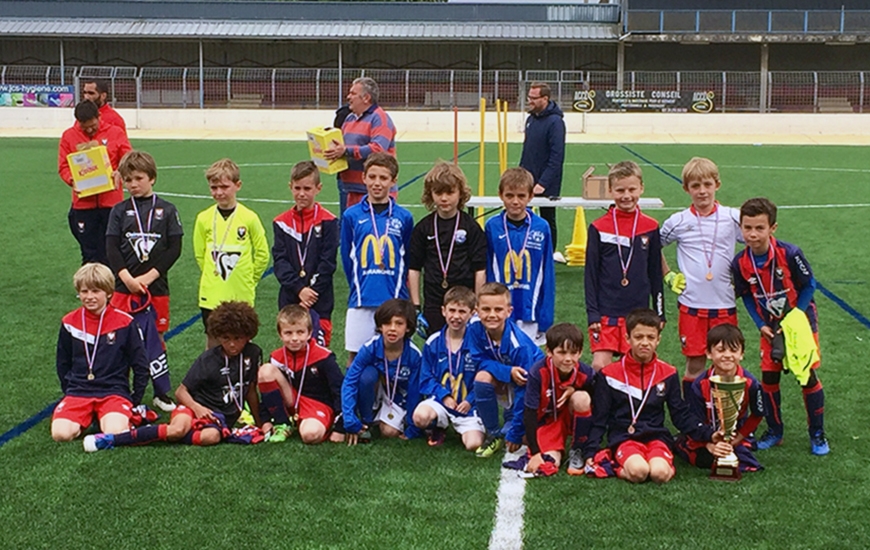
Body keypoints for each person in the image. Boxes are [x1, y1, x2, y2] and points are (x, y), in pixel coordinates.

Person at [83, 301, 263, 451]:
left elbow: (250, 390)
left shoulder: (254, 354)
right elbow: (181, 392)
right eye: (225, 338)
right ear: (217, 336)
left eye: (237, 338)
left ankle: (153, 432)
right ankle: (112, 440)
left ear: (248, 335)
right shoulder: (208, 359)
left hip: (218, 418)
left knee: (212, 437)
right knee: (177, 430)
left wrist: (260, 422)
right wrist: (197, 408)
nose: (232, 344)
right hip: (193, 407)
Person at [731, 197, 829, 455]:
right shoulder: (740, 263)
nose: (752, 234)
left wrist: (795, 317)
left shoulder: (790, 253)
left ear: (772, 228)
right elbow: (747, 296)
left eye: (759, 228)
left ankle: (817, 434)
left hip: (800, 325)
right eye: (747, 227)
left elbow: (809, 285)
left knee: (806, 377)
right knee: (769, 379)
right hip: (770, 328)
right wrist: (760, 323)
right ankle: (775, 431)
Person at [582, 309, 717, 484]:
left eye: (650, 337)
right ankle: (616, 466)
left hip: (656, 437)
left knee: (659, 474)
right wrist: (591, 451)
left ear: (658, 340)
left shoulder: (668, 373)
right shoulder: (609, 374)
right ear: (627, 338)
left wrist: (709, 434)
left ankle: (659, 462)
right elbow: (600, 418)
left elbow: (680, 414)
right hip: (624, 437)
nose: (644, 343)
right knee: (639, 472)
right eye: (638, 337)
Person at [106, 150, 183, 411]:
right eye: (128, 180)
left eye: (138, 178)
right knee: (121, 338)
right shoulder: (119, 211)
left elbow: (174, 248)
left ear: (152, 178)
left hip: (155, 289)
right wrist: (126, 277)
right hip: (123, 289)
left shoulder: (168, 210)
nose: (133, 185)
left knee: (155, 339)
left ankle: (161, 391)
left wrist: (149, 277)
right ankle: (121, 390)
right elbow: (112, 247)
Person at [660, 157, 742, 396]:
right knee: (695, 364)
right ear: (686, 189)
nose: (702, 191)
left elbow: (757, 242)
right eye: (695, 186)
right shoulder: (678, 221)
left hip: (724, 305)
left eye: (707, 184)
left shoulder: (732, 217)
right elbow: (652, 246)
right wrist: (668, 275)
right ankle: (693, 417)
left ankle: (726, 420)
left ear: (717, 184)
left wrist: (745, 276)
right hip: (692, 306)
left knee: (726, 364)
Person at [52, 263, 149, 442]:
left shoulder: (125, 322)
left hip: (113, 391)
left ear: (108, 292)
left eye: (96, 291)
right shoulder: (69, 322)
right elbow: (63, 362)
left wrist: (135, 398)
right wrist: (69, 390)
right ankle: (88, 416)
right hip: (79, 391)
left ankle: (119, 416)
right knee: (60, 435)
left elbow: (140, 364)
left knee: (115, 433)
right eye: (84, 291)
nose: (89, 297)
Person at [585, 161, 664, 372]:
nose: (626, 195)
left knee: (636, 366)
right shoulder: (598, 227)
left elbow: (655, 273)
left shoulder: (651, 226)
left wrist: (660, 312)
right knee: (600, 365)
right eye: (620, 190)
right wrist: (592, 313)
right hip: (606, 311)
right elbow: (590, 274)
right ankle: (601, 406)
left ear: (641, 188)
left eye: (632, 189)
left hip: (638, 311)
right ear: (610, 191)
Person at [340, 153, 413, 365]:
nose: (377, 183)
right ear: (363, 178)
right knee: (356, 358)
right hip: (361, 299)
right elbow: (347, 258)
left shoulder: (404, 217)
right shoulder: (351, 216)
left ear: (393, 181)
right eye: (372, 177)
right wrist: (357, 285)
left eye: (383, 178)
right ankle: (353, 399)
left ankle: (391, 399)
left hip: (393, 297)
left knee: (395, 358)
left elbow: (407, 258)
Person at [193, 158, 270, 349]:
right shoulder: (203, 218)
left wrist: (249, 279)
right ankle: (212, 379)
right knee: (213, 340)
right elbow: (200, 255)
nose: (219, 192)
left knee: (242, 340)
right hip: (211, 293)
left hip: (241, 292)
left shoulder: (249, 218)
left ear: (238, 185)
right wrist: (214, 275)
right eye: (214, 187)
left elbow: (262, 254)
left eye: (224, 187)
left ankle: (244, 378)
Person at [408, 162, 487, 335]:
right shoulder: (423, 228)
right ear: (431, 194)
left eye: (450, 192)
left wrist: (478, 305)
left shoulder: (471, 227)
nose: (444, 198)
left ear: (460, 194)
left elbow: (480, 270)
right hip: (434, 303)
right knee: (436, 349)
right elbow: (414, 269)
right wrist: (415, 307)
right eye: (438, 193)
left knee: (466, 351)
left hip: (465, 302)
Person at [468, 282, 545, 458]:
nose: (492, 315)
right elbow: (478, 360)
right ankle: (493, 433)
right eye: (486, 309)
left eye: (498, 310)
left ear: (509, 311)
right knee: (482, 378)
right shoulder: (474, 330)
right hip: (508, 377)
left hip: (536, 384)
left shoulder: (519, 345)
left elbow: (525, 389)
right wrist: (507, 371)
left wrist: (517, 432)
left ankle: (516, 423)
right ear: (477, 310)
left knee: (526, 438)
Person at [675, 324, 764, 473]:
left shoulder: (751, 383)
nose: (728, 355)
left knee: (742, 458)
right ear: (709, 353)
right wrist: (710, 445)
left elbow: (758, 414)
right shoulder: (699, 384)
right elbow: (695, 418)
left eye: (734, 350)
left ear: (742, 354)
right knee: (702, 458)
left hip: (736, 435)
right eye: (721, 350)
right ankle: (678, 443)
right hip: (705, 435)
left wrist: (737, 439)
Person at [485, 167, 555, 345]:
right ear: (500, 195)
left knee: (526, 362)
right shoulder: (492, 226)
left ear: (531, 196)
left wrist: (545, 315)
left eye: (521, 196)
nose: (515, 201)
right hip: (499, 309)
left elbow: (547, 272)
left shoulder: (541, 227)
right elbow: (487, 268)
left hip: (529, 308)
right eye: (509, 195)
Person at [272, 160, 339, 345]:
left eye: (307, 188)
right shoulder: (281, 222)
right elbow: (280, 260)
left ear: (318, 188)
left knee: (318, 353)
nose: (301, 194)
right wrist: (299, 289)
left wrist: (310, 293)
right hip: (290, 298)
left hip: (320, 299)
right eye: (297, 188)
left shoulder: (329, 221)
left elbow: (328, 263)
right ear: (290, 187)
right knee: (292, 349)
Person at [58, 100, 132, 265]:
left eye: (93, 125)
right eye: (85, 127)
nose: (90, 130)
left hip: (111, 203)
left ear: (99, 116)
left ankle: (110, 287)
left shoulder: (116, 132)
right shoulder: (68, 136)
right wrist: (72, 180)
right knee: (88, 251)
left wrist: (119, 172)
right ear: (78, 122)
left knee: (111, 249)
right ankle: (89, 288)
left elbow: (128, 159)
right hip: (83, 204)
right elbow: (63, 166)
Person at [258, 305, 344, 444]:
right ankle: (282, 423)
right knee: (265, 370)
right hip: (291, 400)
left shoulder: (323, 357)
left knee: (310, 435)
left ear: (309, 333)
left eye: (300, 332)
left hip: (317, 404)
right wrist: (265, 420)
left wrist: (340, 428)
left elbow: (339, 390)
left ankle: (312, 423)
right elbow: (268, 391)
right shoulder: (276, 357)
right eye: (288, 333)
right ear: (280, 334)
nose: (294, 338)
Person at [340, 299, 422, 445]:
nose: (392, 328)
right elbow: (350, 381)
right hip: (375, 391)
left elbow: (415, 391)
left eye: (399, 323)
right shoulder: (369, 348)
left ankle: (387, 419)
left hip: (397, 396)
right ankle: (367, 420)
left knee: (389, 433)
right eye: (387, 323)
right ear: (380, 326)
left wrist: (413, 427)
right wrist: (349, 418)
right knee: (367, 375)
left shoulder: (414, 355)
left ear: (408, 327)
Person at [412, 286, 485, 450]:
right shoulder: (433, 342)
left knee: (474, 445)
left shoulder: (478, 344)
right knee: (420, 417)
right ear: (443, 311)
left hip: (468, 405)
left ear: (472, 313)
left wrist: (469, 400)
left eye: (462, 311)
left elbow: (484, 378)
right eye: (452, 310)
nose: (456, 316)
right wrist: (444, 396)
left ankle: (467, 428)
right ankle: (439, 426)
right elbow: (426, 378)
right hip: (441, 402)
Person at [521, 323, 595, 477]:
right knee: (550, 463)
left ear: (580, 352)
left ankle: (578, 449)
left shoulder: (586, 373)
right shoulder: (537, 372)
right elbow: (530, 412)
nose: (568, 359)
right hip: (547, 422)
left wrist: (574, 390)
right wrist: (535, 452)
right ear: (549, 351)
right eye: (561, 352)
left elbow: (597, 401)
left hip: (569, 417)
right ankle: (551, 446)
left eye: (573, 353)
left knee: (582, 398)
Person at [323, 77, 397, 215]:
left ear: (366, 98)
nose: (348, 97)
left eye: (353, 93)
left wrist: (346, 151)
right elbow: (343, 148)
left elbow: (378, 149)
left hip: (375, 193)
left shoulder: (380, 118)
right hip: (351, 191)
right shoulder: (349, 119)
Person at [519, 82, 566, 264]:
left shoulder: (555, 122)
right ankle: (524, 250)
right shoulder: (530, 119)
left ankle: (549, 254)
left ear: (545, 99)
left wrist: (543, 183)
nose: (529, 101)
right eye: (529, 97)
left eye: (533, 98)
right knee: (523, 215)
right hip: (527, 181)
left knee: (547, 218)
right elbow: (527, 151)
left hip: (547, 183)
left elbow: (557, 156)